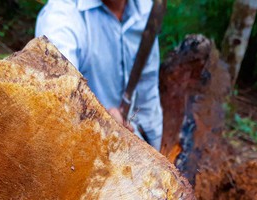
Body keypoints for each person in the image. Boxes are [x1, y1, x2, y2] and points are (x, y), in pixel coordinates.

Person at [35, 0, 163, 150]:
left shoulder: (145, 9)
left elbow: (147, 90)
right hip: (81, 153)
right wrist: (98, 121)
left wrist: (156, 151)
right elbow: (59, 105)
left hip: (137, 147)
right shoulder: (59, 18)